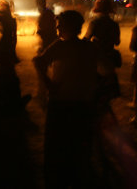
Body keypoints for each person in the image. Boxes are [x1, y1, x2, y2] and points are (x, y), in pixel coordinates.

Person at [34, 10, 98, 188]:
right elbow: (104, 70)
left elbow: (38, 61)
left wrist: (49, 85)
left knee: (57, 144)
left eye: (59, 24)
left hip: (62, 103)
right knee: (78, 144)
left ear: (69, 27)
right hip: (82, 103)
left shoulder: (60, 46)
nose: (57, 27)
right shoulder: (88, 47)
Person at [0, 1, 28, 109]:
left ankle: (0, 97)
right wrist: (13, 49)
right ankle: (12, 97)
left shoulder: (3, 18)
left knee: (2, 71)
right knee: (9, 71)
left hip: (4, 45)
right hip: (9, 45)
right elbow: (15, 37)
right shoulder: (12, 20)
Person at [84, 0, 121, 101]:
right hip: (109, 59)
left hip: (96, 60)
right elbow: (117, 42)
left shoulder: (95, 22)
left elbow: (86, 40)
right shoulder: (114, 24)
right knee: (107, 92)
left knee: (95, 91)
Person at [35, 0, 57, 109]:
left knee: (43, 67)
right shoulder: (47, 12)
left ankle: (45, 93)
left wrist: (40, 31)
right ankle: (42, 92)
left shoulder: (46, 13)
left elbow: (48, 29)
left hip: (49, 42)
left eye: (37, 4)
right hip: (48, 42)